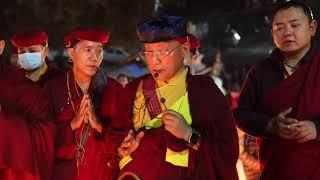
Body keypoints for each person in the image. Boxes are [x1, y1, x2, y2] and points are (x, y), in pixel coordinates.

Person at [107, 15, 239, 179]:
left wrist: (189, 135)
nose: (154, 60)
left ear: (184, 50)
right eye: (149, 52)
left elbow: (227, 153)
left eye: (162, 51)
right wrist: (122, 148)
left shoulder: (204, 91)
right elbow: (113, 140)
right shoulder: (134, 90)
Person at [233, 1, 320, 179]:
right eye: (279, 27)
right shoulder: (260, 72)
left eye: (295, 25)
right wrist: (271, 125)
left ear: (312, 28)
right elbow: (241, 114)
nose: (287, 32)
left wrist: (317, 128)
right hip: (276, 169)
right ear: (272, 33)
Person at [44, 28, 122, 180]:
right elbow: (42, 138)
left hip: (100, 173)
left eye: (99, 51)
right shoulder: (54, 88)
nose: (95, 57)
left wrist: (99, 125)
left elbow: (122, 140)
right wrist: (72, 125)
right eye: (88, 50)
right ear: (72, 53)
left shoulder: (114, 89)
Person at [0, 34, 55, 180]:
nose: (26, 55)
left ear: (0, 47)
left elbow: (45, 135)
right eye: (22, 51)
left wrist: (5, 124)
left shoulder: (25, 88)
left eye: (31, 51)